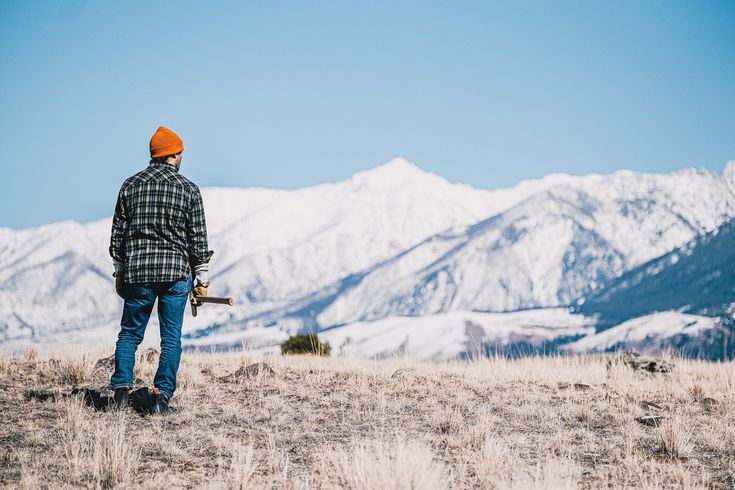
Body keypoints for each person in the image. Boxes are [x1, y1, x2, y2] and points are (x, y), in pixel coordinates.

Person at [108, 126, 213, 414]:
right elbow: (198, 238)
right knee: (171, 338)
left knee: (129, 334)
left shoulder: (130, 186)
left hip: (138, 273)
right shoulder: (188, 189)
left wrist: (120, 270)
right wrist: (201, 278)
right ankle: (161, 397)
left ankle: (120, 394)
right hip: (175, 275)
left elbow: (118, 235)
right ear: (175, 155)